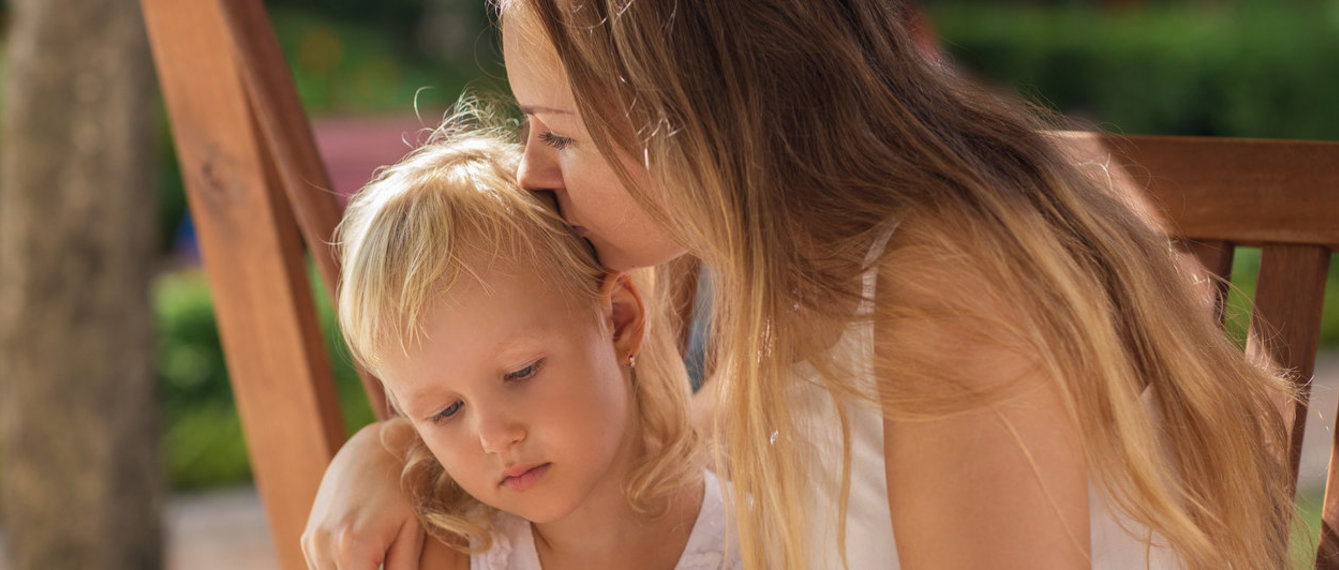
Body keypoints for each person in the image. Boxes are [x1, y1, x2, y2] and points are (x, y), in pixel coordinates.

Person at [304, 2, 1296, 569]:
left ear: (695, 126)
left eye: (558, 131)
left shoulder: (942, 297)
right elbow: (635, 464)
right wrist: (391, 451)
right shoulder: (789, 281)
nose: (533, 172)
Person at [328, 116, 741, 569]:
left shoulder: (763, 537)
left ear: (618, 320)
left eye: (521, 371)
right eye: (445, 411)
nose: (494, 437)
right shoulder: (446, 558)